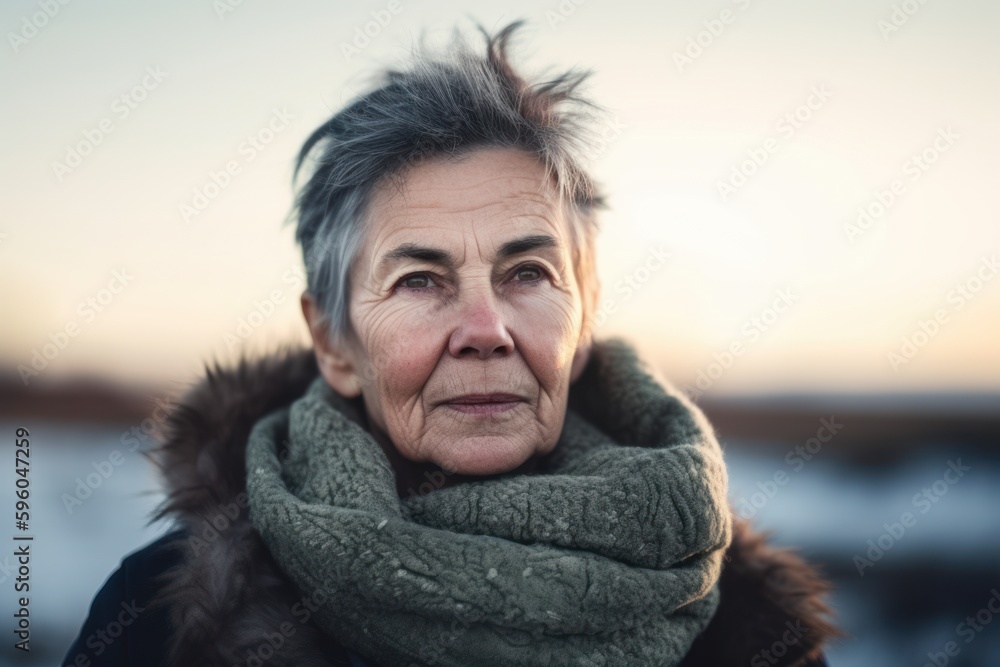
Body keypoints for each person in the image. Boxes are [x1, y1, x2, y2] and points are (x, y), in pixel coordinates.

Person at [63, 19, 841, 667]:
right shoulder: (166, 618)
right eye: (420, 281)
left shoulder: (740, 618)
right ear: (333, 341)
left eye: (528, 272)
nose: (484, 331)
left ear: (587, 310)